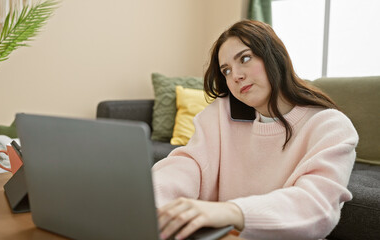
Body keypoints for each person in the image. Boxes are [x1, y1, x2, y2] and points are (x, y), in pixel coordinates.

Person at [152, 20, 358, 240]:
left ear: (274, 56)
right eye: (226, 70)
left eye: (245, 58)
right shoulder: (220, 114)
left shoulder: (330, 126)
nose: (236, 76)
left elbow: (316, 206)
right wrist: (150, 202)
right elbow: (187, 165)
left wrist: (231, 211)